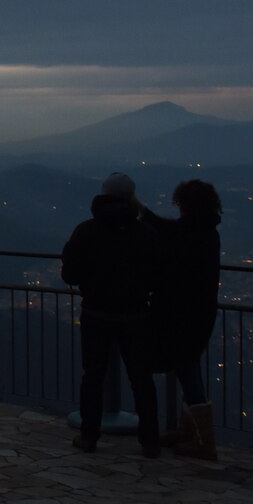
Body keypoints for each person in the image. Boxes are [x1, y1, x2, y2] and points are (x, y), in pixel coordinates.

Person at [60, 172, 162, 456]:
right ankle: (151, 441)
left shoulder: (86, 231)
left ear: (103, 194)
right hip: (136, 315)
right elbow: (158, 276)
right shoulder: (146, 234)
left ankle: (89, 437)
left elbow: (70, 274)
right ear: (132, 197)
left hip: (95, 313)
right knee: (141, 379)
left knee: (92, 376)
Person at [143, 179, 222, 460]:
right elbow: (172, 230)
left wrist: (142, 212)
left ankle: (204, 442)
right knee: (188, 366)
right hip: (200, 313)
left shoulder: (192, 233)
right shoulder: (206, 231)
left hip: (184, 314)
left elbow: (170, 233)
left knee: (188, 370)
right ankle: (188, 430)